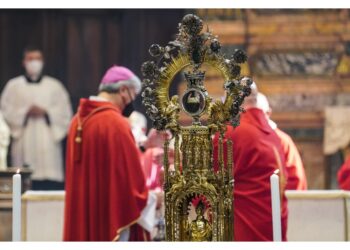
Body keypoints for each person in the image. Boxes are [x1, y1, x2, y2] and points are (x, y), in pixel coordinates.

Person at [63, 65, 162, 241]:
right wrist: (154, 199)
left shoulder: (76, 122)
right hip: (109, 218)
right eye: (132, 95)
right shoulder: (116, 124)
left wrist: (145, 145)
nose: (130, 102)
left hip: (83, 217)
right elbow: (130, 186)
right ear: (123, 90)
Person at [213, 81, 288, 241]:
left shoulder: (232, 132)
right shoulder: (273, 135)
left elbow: (208, 181)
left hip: (245, 231)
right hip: (271, 227)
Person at [0, 46, 72, 189]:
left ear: (43, 62)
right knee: (22, 184)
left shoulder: (55, 86)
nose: (34, 62)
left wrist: (47, 112)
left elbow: (65, 114)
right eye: (30, 59)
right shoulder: (13, 86)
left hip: (48, 144)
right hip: (23, 141)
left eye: (37, 59)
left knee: (48, 189)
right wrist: (24, 113)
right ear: (24, 62)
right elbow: (5, 112)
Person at [257, 92, 308, 190]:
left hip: (277, 199)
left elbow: (295, 179)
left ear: (268, 113)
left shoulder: (282, 140)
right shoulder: (242, 135)